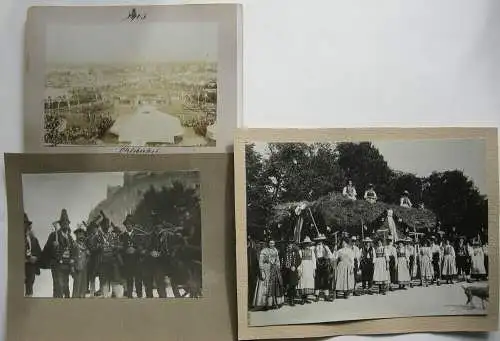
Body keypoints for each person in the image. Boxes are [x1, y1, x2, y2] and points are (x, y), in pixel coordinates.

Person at [41, 209, 75, 298]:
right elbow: (47, 249)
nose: (66, 224)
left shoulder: (70, 237)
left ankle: (67, 307)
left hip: (67, 265)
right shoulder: (54, 235)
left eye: (67, 223)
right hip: (57, 265)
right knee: (58, 286)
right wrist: (53, 246)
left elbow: (73, 250)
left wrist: (72, 261)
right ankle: (57, 305)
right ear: (60, 224)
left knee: (66, 287)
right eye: (63, 223)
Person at [90, 213, 124, 299]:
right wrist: (99, 247)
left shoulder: (114, 235)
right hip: (102, 262)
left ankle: (116, 296)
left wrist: (114, 247)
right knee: (104, 280)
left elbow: (121, 246)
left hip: (113, 261)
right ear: (101, 226)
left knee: (115, 280)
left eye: (107, 225)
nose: (106, 226)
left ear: (109, 226)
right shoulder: (98, 237)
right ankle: (105, 297)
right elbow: (92, 248)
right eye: (104, 225)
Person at [252, 240, 284, 310]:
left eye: (273, 243)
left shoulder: (276, 250)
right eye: (270, 243)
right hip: (266, 269)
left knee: (274, 286)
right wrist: (262, 271)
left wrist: (278, 267)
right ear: (268, 244)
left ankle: (273, 303)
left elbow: (277, 260)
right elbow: (260, 261)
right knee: (264, 286)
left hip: (274, 270)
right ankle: (264, 303)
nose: (271, 244)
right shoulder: (264, 251)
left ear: (274, 244)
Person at [120, 214, 144, 298]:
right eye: (127, 224)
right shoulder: (122, 236)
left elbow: (141, 247)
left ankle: (139, 294)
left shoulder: (138, 235)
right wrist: (125, 250)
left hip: (137, 259)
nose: (128, 226)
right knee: (129, 278)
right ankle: (129, 295)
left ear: (133, 225)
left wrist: (135, 250)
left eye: (130, 224)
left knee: (138, 279)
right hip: (127, 260)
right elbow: (120, 247)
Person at [143, 221, 168, 298]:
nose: (157, 227)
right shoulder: (149, 236)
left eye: (159, 225)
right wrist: (150, 252)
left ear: (161, 226)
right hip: (149, 262)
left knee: (160, 284)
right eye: (156, 226)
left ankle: (163, 299)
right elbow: (145, 248)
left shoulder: (166, 236)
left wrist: (160, 254)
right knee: (148, 283)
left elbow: (167, 249)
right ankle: (150, 299)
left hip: (160, 262)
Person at [24, 213, 41, 297]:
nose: (24, 226)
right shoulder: (16, 237)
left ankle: (28, 298)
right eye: (23, 223)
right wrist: (26, 258)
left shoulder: (33, 239)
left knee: (30, 284)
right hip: (20, 265)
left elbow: (38, 251)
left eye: (26, 224)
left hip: (31, 266)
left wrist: (35, 258)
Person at [282, 239, 302, 306]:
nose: (289, 245)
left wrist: (295, 266)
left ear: (293, 245)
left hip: (293, 271)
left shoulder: (295, 253)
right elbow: (281, 260)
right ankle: (286, 298)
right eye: (289, 244)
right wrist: (283, 266)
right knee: (286, 285)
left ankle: (292, 300)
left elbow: (299, 260)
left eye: (291, 244)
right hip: (285, 271)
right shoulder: (284, 252)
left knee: (292, 285)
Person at [72, 225, 90, 298]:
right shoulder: (74, 244)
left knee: (83, 285)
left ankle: (82, 300)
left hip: (84, 267)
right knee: (77, 284)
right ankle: (75, 299)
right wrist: (72, 267)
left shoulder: (85, 245)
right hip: (77, 267)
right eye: (79, 234)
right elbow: (72, 256)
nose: (81, 236)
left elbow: (88, 256)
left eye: (82, 234)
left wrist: (88, 255)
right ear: (76, 235)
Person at [313, 234, 333, 302]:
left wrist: (327, 253)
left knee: (326, 279)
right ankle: (317, 296)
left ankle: (326, 295)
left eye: (320, 240)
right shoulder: (314, 248)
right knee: (317, 279)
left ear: (322, 240)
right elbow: (313, 256)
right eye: (318, 240)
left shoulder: (326, 247)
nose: (319, 241)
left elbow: (331, 255)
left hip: (324, 263)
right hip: (317, 263)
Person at [297, 236, 316, 304]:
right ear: (304, 244)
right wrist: (299, 270)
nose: (307, 245)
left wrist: (314, 270)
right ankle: (302, 298)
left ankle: (306, 297)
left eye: (308, 244)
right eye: (306, 244)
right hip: (303, 267)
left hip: (310, 268)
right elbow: (298, 261)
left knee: (309, 281)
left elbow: (314, 261)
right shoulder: (300, 251)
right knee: (303, 281)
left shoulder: (312, 251)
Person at [247, 236, 259, 308]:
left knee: (252, 288)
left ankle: (250, 303)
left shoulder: (253, 251)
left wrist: (257, 273)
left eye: (248, 242)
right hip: (245, 272)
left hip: (252, 273)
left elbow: (257, 263)